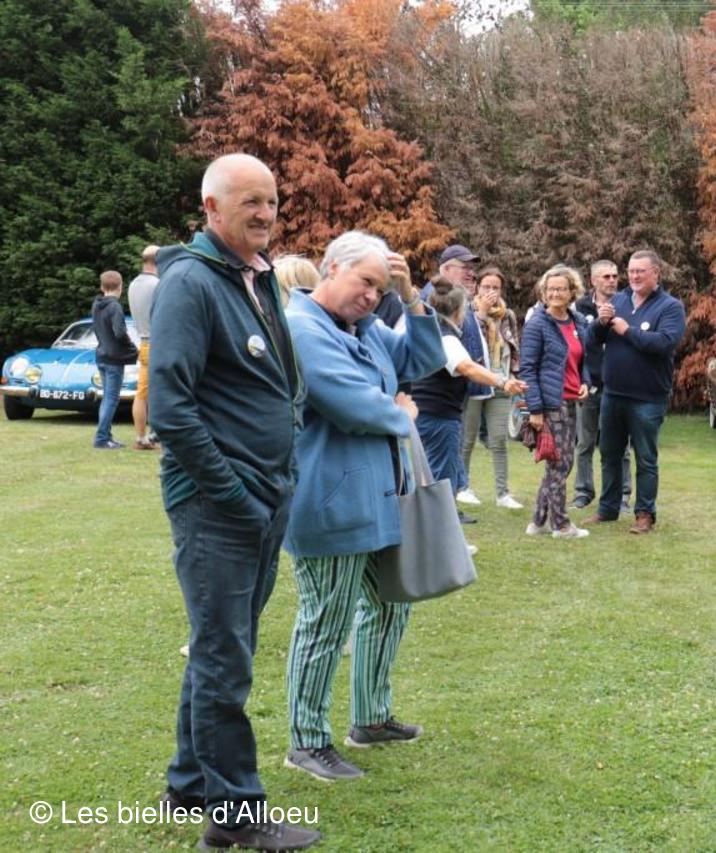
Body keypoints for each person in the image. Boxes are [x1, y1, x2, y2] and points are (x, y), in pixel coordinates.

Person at [149, 153, 319, 851]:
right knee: (226, 656)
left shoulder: (255, 277)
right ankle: (235, 814)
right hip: (220, 505)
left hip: (265, 493)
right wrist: (236, 495)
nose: (265, 213)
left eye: (271, 200)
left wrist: (284, 460)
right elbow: (171, 409)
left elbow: (281, 382)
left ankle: (189, 782)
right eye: (250, 201)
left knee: (223, 644)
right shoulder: (191, 282)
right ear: (211, 208)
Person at [281, 231, 446, 782]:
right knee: (325, 620)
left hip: (377, 499)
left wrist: (412, 297)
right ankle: (306, 741)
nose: (373, 296)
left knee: (391, 605)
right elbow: (353, 405)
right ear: (331, 268)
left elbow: (422, 359)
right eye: (366, 282)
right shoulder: (302, 329)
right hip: (329, 502)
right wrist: (401, 413)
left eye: (380, 288)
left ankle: (370, 719)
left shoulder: (363, 327)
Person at [584, 250, 687, 534]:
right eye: (631, 271)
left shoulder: (670, 307)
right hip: (613, 393)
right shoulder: (618, 301)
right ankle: (608, 509)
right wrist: (600, 323)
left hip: (648, 397)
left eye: (641, 271)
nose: (634, 276)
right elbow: (591, 341)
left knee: (645, 458)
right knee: (610, 454)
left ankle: (644, 514)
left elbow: (664, 343)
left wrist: (627, 331)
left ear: (656, 273)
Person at [409, 284, 525, 530]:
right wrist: (503, 381)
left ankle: (435, 537)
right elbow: (467, 367)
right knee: (441, 480)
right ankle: (440, 540)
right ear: (459, 311)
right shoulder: (447, 337)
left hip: (428, 414)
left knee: (434, 476)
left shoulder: (430, 331)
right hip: (438, 417)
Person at [521, 265, 592, 539]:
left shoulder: (578, 322)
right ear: (543, 292)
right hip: (552, 403)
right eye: (550, 289)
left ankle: (538, 522)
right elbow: (528, 370)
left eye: (561, 289)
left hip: (572, 400)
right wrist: (535, 410)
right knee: (560, 464)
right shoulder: (537, 324)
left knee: (558, 464)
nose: (555, 294)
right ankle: (561, 525)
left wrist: (585, 381)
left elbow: (583, 359)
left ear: (572, 291)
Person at [571, 260, 632, 511]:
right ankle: (583, 492)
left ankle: (623, 494)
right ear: (593, 280)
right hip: (589, 383)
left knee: (621, 445)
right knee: (584, 443)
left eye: (615, 276)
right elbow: (576, 344)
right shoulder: (579, 307)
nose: (612, 280)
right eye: (606, 276)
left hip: (618, 384)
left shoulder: (627, 304)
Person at [460, 267, 523, 509]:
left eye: (495, 287)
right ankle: (462, 487)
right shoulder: (467, 312)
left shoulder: (508, 315)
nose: (491, 291)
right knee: (467, 439)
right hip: (475, 382)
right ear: (477, 288)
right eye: (486, 286)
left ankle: (502, 493)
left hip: (501, 382)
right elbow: (466, 342)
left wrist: (514, 375)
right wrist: (482, 313)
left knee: (499, 440)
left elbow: (514, 348)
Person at [434, 244, 491, 508]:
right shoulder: (434, 298)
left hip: (458, 388)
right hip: (440, 394)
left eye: (472, 268)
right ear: (445, 268)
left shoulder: (460, 297)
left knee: (454, 448)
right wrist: (500, 381)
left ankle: (453, 505)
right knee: (444, 455)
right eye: (464, 267)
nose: (470, 273)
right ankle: (446, 512)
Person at [91, 270, 139, 450]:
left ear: (102, 286)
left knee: (107, 398)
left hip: (101, 355)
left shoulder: (96, 305)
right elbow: (120, 333)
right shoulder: (115, 307)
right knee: (111, 399)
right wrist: (132, 348)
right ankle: (102, 438)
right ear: (120, 287)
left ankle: (106, 435)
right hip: (114, 359)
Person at [127, 246, 160, 450]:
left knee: (141, 393)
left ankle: (141, 438)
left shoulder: (133, 284)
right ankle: (158, 437)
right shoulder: (157, 284)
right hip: (159, 343)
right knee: (163, 392)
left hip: (143, 342)